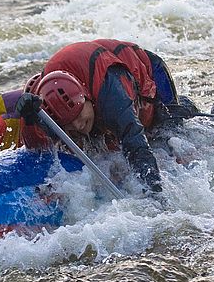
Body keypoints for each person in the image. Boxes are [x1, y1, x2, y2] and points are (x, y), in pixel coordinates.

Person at [15, 39, 197, 195]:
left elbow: (135, 143)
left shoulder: (110, 95)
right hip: (104, 92)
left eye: (78, 115)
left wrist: (154, 194)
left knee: (169, 135)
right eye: (69, 124)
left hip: (149, 71)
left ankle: (203, 112)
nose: (78, 126)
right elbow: (37, 148)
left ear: (87, 96)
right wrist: (30, 120)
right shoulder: (46, 101)